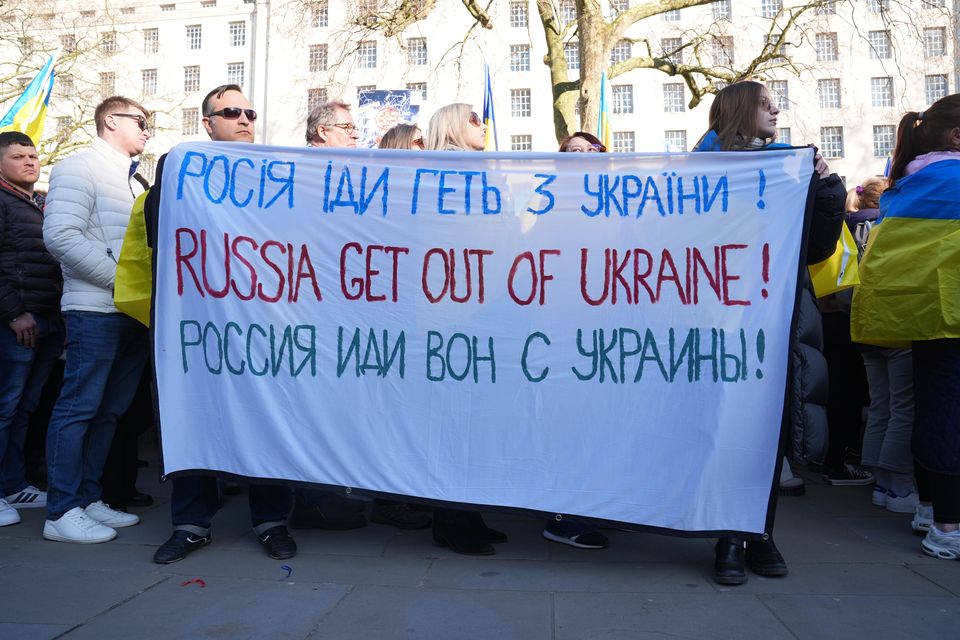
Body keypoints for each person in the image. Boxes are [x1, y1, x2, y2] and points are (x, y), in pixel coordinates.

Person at [693, 80, 846, 584]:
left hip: (777, 318)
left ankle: (758, 531)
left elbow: (818, 250)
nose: (776, 109)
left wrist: (826, 190)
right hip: (718, 319)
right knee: (720, 427)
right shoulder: (698, 172)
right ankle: (728, 535)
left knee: (768, 428)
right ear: (739, 111)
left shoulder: (790, 166)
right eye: (764, 103)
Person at [152, 84, 297, 563]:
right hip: (204, 323)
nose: (244, 119)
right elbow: (163, 232)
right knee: (195, 414)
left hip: (266, 325)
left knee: (269, 418)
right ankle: (191, 523)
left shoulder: (281, 174)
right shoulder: (181, 169)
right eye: (230, 111)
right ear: (207, 123)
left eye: (249, 111)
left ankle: (272, 520)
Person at [41, 97, 153, 543]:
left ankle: (88, 499)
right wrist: (121, 281)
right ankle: (60, 510)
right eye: (140, 121)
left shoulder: (133, 178)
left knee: (109, 412)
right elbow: (60, 235)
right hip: (95, 309)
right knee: (78, 409)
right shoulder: (78, 167)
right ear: (111, 120)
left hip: (128, 310)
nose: (147, 130)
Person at [854, 94, 960, 560]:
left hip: (921, 315)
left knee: (931, 408)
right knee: (946, 415)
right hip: (952, 314)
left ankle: (932, 507)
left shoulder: (909, 183)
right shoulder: (953, 179)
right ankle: (948, 525)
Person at [423, 103, 508, 555]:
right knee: (452, 422)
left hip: (484, 310)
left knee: (475, 423)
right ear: (453, 126)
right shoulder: (434, 176)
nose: (483, 124)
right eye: (474, 119)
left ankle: (467, 511)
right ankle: (450, 519)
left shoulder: (486, 173)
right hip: (449, 316)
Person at [539, 131, 610, 550]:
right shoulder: (550, 208)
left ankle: (597, 504)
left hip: (610, 338)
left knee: (602, 427)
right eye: (572, 152)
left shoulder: (626, 207)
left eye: (591, 150)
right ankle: (564, 516)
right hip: (566, 339)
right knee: (571, 427)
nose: (583, 156)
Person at [0, 131, 63, 525]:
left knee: (24, 407)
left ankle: (12, 484)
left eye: (33, 155)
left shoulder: (37, 203)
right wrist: (13, 313)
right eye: (19, 156)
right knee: (5, 407)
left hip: (44, 319)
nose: (30, 162)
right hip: (16, 322)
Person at [845, 178, 918, 515]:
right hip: (897, 326)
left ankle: (880, 482)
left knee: (880, 406)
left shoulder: (864, 229)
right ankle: (899, 486)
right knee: (903, 408)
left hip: (867, 325)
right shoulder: (903, 227)